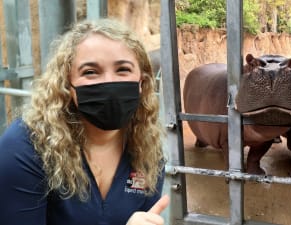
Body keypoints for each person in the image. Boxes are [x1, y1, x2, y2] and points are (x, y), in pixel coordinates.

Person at [0, 18, 169, 225]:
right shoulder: (26, 147)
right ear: (67, 86)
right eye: (90, 72)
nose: (109, 82)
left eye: (123, 69)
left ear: (141, 83)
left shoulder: (147, 148)